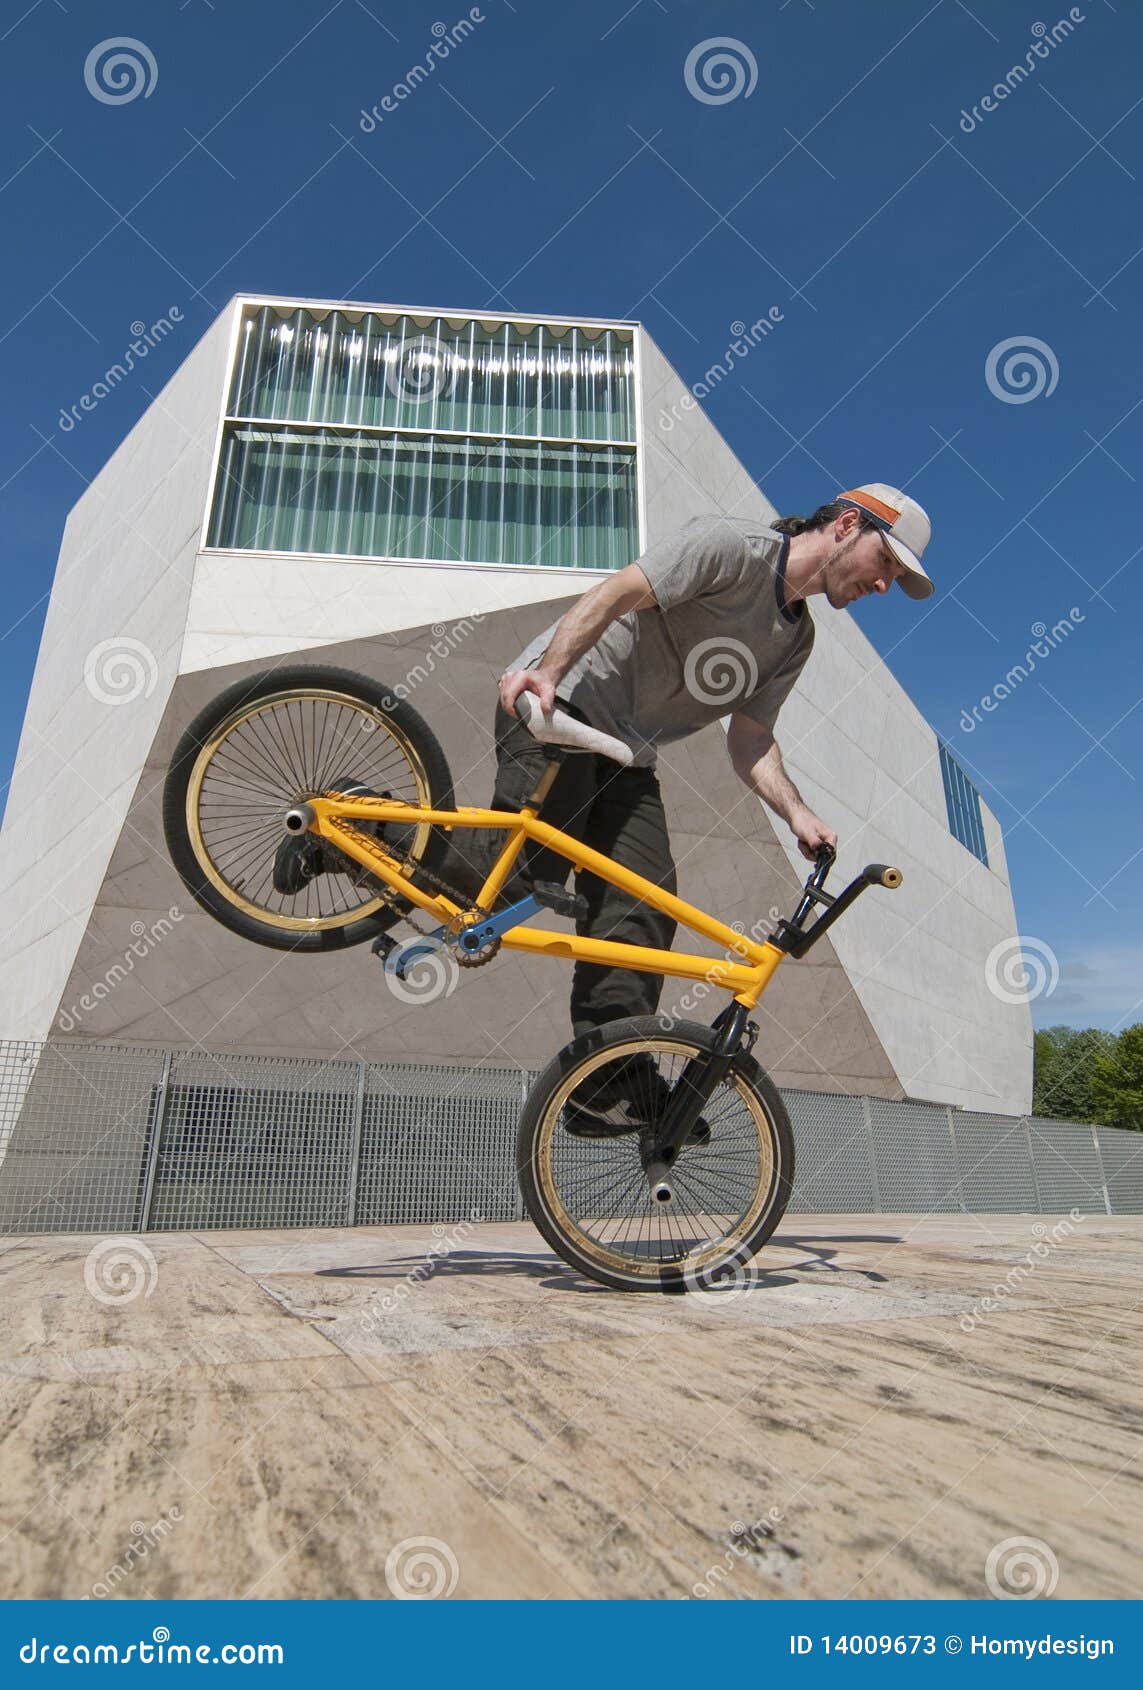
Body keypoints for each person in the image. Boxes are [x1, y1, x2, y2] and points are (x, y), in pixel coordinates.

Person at [453, 484, 934, 1132]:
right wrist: (549, 670)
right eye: (887, 565)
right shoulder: (731, 548)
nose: (884, 586)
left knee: (645, 900)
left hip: (625, 756)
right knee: (520, 877)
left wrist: (796, 813)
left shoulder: (795, 641)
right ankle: (351, 828)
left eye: (896, 579)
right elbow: (621, 590)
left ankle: (605, 1080)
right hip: (562, 704)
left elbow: (750, 737)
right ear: (848, 524)